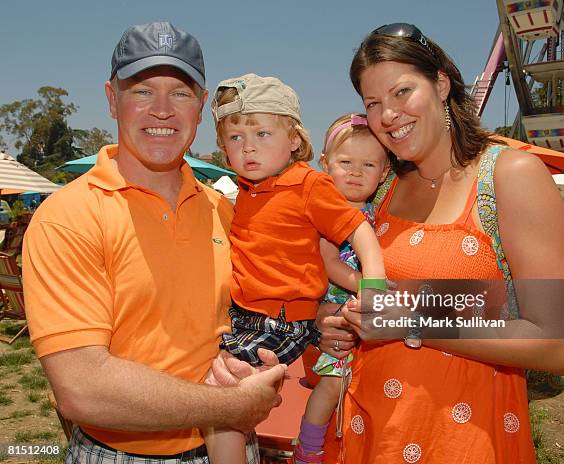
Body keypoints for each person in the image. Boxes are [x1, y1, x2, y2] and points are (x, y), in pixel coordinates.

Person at [22, 22, 286, 464]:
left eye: (180, 93)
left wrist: (320, 324)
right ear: (112, 99)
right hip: (121, 454)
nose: (162, 110)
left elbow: (252, 313)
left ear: (202, 107)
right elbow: (83, 388)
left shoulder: (225, 211)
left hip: (230, 446)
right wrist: (234, 406)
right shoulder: (67, 218)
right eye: (142, 90)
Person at [319, 23, 564, 463]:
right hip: (366, 435)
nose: (388, 116)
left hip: (462, 442)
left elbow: (559, 343)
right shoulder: (380, 191)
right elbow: (357, 293)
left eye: (402, 92)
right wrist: (337, 323)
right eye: (373, 103)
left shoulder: (509, 175)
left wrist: (413, 317)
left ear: (441, 83)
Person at [206, 75, 387, 462]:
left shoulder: (307, 184)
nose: (248, 147)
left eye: (263, 134)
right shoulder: (247, 192)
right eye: (235, 138)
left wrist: (373, 283)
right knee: (208, 383)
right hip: (245, 315)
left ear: (294, 140)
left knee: (223, 399)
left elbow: (357, 230)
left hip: (283, 319)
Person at [293, 113, 389, 464]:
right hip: (338, 308)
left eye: (368, 164)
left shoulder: (375, 210)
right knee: (332, 383)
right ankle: (308, 444)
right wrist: (370, 286)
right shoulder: (327, 210)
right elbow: (330, 264)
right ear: (325, 164)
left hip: (361, 309)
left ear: (383, 172)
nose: (356, 172)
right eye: (345, 162)